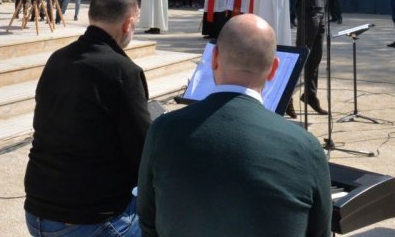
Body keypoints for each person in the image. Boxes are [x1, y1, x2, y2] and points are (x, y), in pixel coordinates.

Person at [137, 14, 332, 237]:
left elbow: (148, 221)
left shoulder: (163, 131)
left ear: (215, 58)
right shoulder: (305, 146)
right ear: (275, 69)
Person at [24, 0, 151, 237]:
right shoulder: (123, 72)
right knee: (169, 212)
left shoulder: (57, 59)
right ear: (127, 24)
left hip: (37, 208)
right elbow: (144, 155)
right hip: (88, 219)